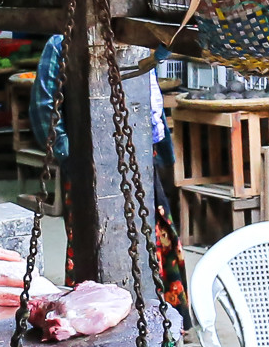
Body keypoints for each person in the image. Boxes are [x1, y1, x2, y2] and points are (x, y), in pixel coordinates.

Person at [29, 34, 189, 318]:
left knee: (156, 228)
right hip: (88, 159)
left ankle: (167, 317)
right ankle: (89, 317)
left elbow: (153, 89)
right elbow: (45, 109)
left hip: (141, 152)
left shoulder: (139, 41)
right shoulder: (60, 44)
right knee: (92, 236)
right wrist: (72, 156)